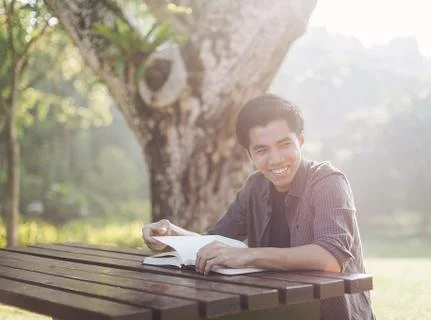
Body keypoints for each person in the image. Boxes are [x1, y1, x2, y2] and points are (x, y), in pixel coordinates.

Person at [142, 94, 375, 320]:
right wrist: (173, 235)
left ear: (301, 140)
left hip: (331, 314)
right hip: (276, 311)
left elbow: (330, 258)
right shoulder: (255, 186)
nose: (275, 160)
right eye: (262, 150)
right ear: (249, 154)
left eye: (284, 145)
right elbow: (217, 241)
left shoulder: (328, 182)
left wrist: (248, 255)